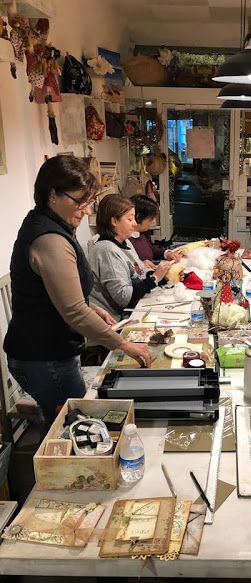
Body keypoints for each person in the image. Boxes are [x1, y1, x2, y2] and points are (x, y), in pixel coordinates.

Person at [4, 157, 152, 429]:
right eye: (80, 201)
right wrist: (125, 345)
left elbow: (58, 293)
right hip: (45, 356)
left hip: (45, 352)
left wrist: (93, 307)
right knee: (72, 428)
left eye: (89, 202)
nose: (86, 211)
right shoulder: (49, 239)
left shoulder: (48, 223)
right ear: (53, 194)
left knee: (66, 424)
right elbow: (73, 311)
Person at [89, 194, 171, 322]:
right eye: (130, 219)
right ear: (114, 221)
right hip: (114, 321)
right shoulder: (106, 250)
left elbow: (140, 272)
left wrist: (165, 276)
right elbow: (124, 297)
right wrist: (155, 278)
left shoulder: (125, 242)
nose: (134, 223)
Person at [128, 194, 180, 269]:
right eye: (151, 218)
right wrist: (140, 265)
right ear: (138, 217)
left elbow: (150, 249)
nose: (154, 221)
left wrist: (166, 253)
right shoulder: (125, 240)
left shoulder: (143, 233)